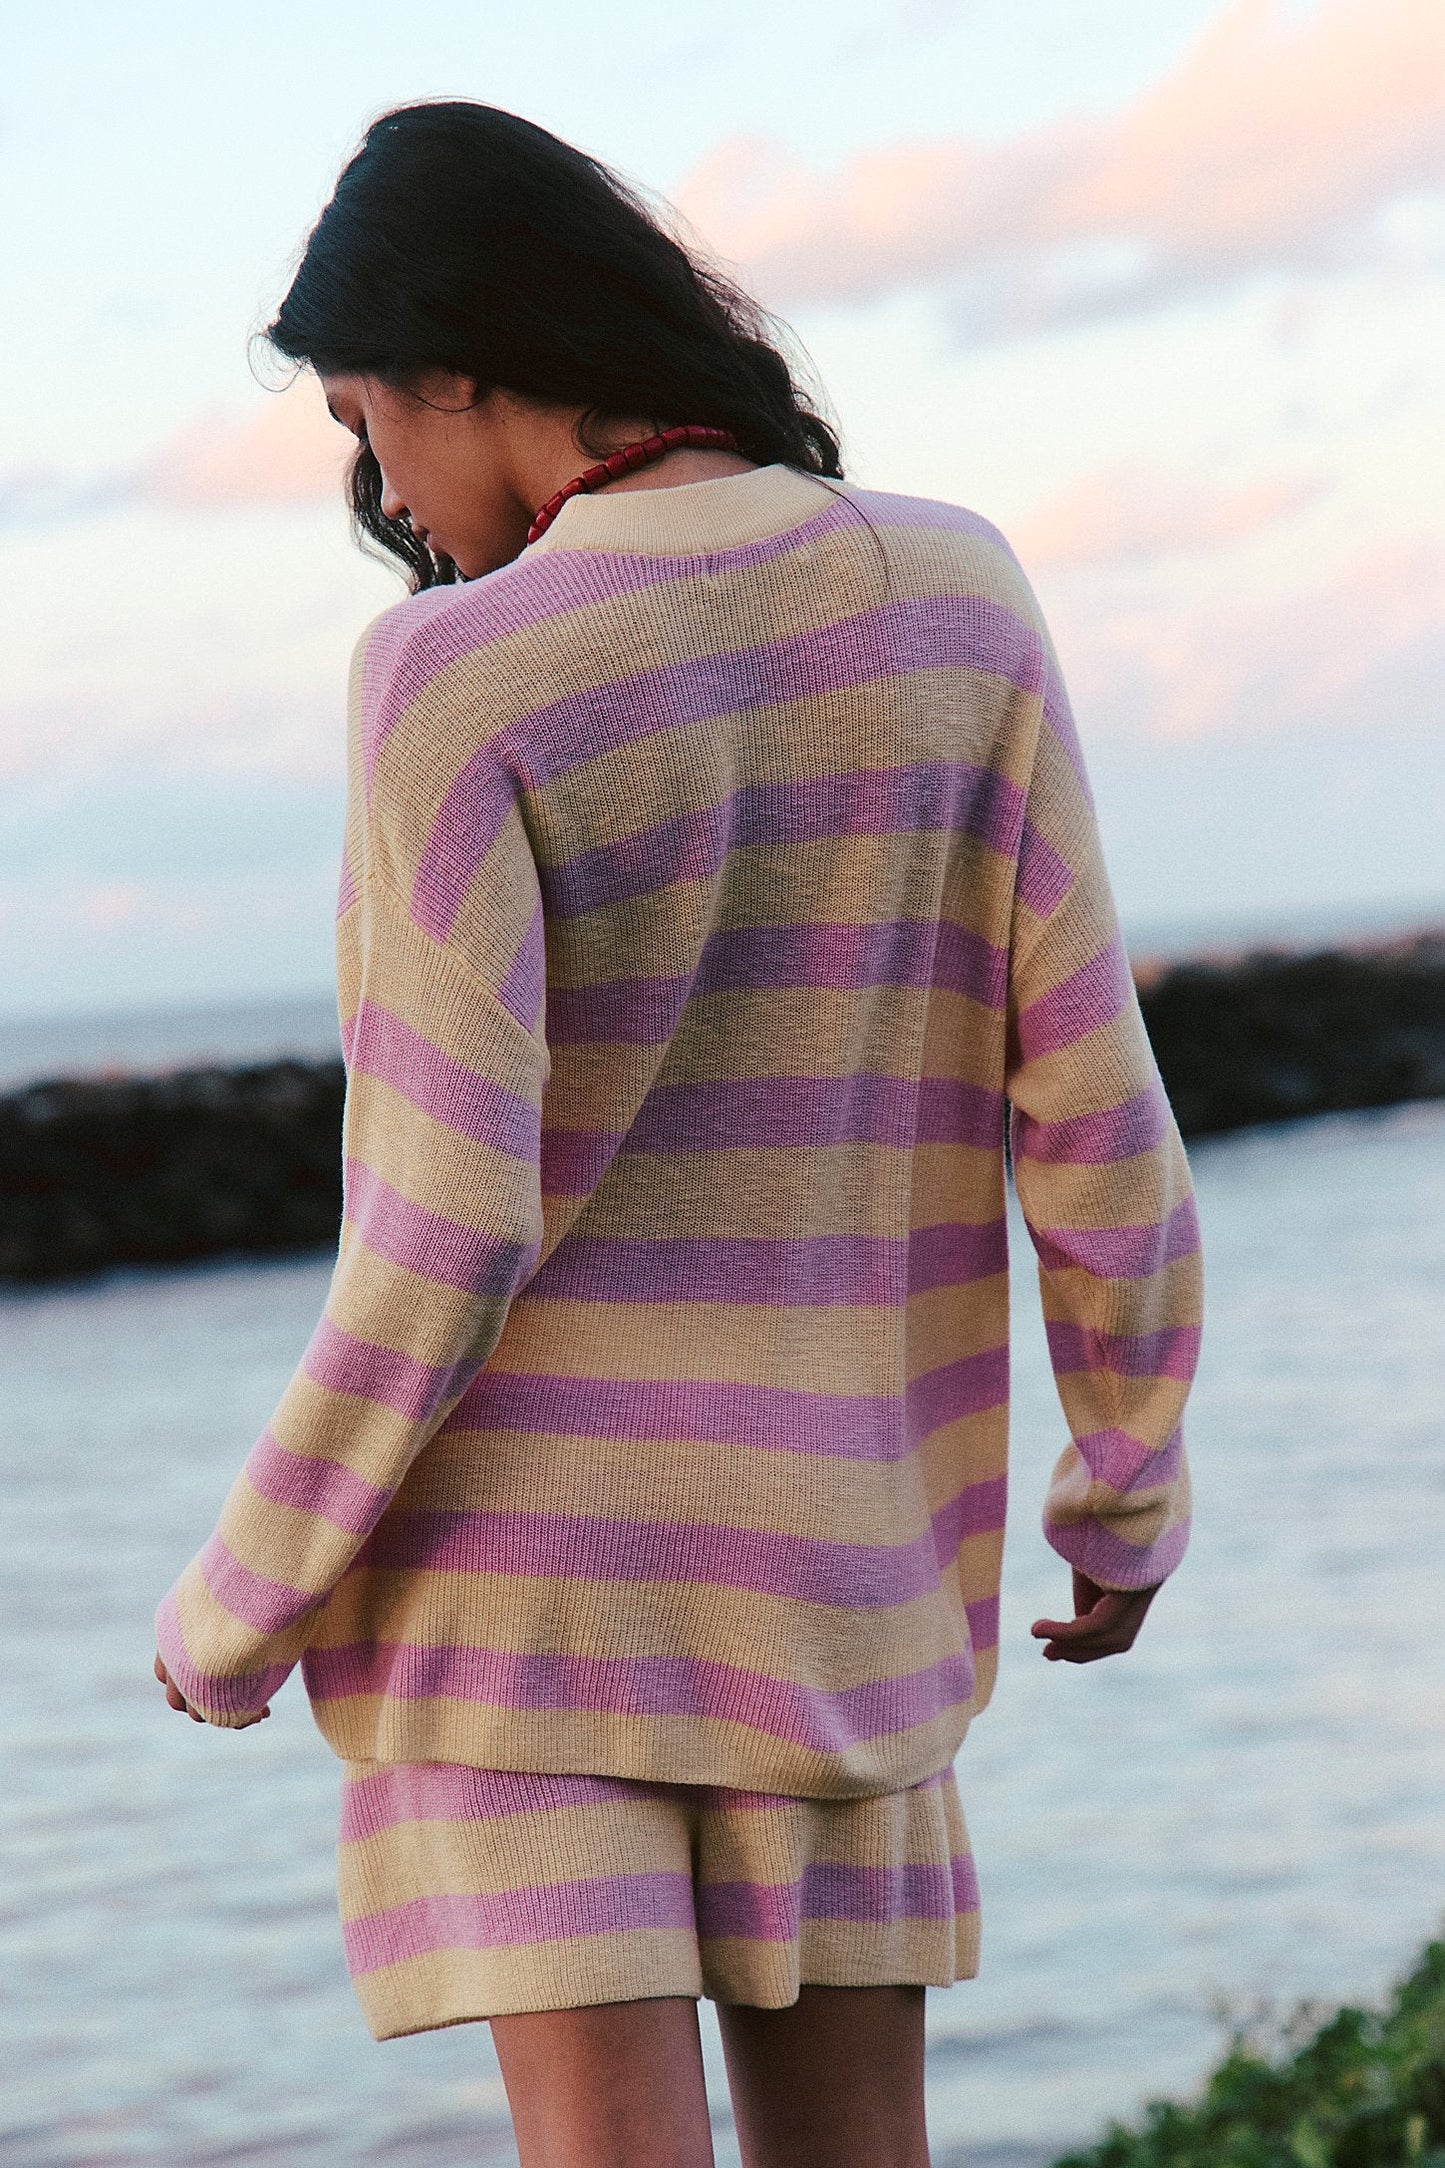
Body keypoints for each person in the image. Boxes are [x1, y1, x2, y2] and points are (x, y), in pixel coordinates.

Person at [154, 100, 1201, 2168]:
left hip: (529, 1602)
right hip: (840, 1571)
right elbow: (1094, 1099)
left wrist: (249, 1585)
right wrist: (1125, 1476)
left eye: (370, 424)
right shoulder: (953, 593)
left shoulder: (455, 674)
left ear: (462, 361)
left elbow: (447, 1219)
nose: (388, 495)